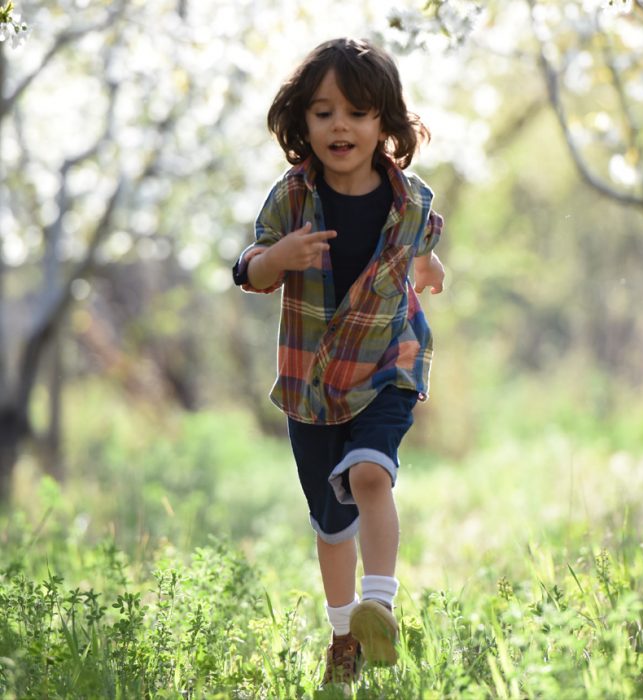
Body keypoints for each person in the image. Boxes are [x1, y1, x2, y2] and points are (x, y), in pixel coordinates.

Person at [233, 37, 445, 688]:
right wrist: (278, 259)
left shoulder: (410, 201)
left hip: (388, 363)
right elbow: (247, 268)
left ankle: (378, 603)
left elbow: (421, 246)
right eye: (323, 113)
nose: (339, 126)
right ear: (302, 124)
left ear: (385, 123)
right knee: (332, 522)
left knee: (371, 477)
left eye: (356, 112)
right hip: (314, 384)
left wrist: (428, 266)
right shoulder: (292, 200)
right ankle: (344, 635)